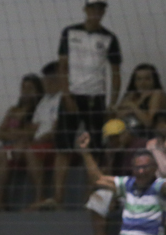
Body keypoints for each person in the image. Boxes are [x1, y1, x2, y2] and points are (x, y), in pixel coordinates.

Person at [51, 0, 122, 209]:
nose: (96, 11)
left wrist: (112, 103)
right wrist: (66, 95)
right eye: (92, 7)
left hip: (96, 99)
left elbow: (115, 73)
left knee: (94, 148)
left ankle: (90, 197)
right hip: (72, 95)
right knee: (63, 147)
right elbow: (62, 66)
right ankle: (57, 198)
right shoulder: (70, 32)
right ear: (85, 9)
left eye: (100, 8)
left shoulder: (110, 38)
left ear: (103, 11)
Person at [82, 118, 147, 235]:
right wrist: (109, 159)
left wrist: (117, 194)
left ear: (126, 133)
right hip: (121, 190)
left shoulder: (138, 147)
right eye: (111, 139)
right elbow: (100, 180)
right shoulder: (115, 151)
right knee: (98, 197)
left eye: (116, 137)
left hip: (142, 190)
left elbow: (139, 180)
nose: (114, 141)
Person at [0, 75, 45, 211]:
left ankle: (3, 200)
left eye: (30, 88)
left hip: (24, 149)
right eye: (23, 88)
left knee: (5, 153)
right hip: (9, 147)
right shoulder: (13, 110)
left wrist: (13, 131)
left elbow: (32, 134)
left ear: (38, 90)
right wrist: (18, 132)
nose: (26, 91)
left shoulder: (39, 111)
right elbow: (0, 134)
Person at [27, 62, 63, 209]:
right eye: (45, 80)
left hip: (54, 143)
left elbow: (57, 129)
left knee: (31, 151)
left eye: (49, 80)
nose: (46, 84)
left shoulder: (63, 98)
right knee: (5, 153)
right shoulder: (44, 101)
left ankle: (39, 196)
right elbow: (33, 127)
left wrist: (36, 141)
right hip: (38, 142)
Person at [114, 64, 166, 139]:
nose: (142, 83)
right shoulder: (132, 95)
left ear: (154, 80)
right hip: (129, 138)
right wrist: (140, 101)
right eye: (138, 79)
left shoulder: (157, 94)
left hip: (151, 139)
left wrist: (132, 105)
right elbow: (117, 117)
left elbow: (149, 123)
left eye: (147, 79)